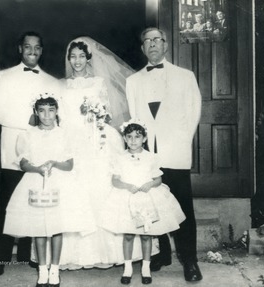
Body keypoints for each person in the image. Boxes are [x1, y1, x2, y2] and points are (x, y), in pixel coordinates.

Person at [50, 37, 159, 269]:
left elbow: (108, 113)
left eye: (81, 56)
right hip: (71, 141)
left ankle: (113, 252)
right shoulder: (61, 84)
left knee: (102, 187)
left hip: (95, 139)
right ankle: (72, 254)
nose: (77, 61)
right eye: (73, 56)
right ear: (68, 59)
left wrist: (97, 119)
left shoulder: (99, 82)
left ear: (89, 58)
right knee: (74, 192)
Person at [126, 27, 203, 282]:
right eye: (147, 41)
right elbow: (136, 119)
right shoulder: (133, 81)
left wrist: (180, 141)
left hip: (176, 152)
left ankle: (189, 260)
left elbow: (193, 112)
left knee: (182, 207)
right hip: (149, 156)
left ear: (165, 45)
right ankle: (163, 253)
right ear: (143, 48)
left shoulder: (185, 76)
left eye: (157, 40)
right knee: (154, 204)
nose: (152, 44)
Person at [0, 31, 59, 276]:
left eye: (37, 47)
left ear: (41, 50)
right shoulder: (4, 76)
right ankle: (0, 258)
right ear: (20, 49)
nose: (32, 51)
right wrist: (29, 121)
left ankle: (30, 255)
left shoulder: (52, 81)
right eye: (27, 47)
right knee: (7, 204)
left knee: (35, 203)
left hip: (41, 153)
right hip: (13, 151)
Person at [3, 95, 94, 287]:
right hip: (36, 182)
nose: (47, 115)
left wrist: (54, 163)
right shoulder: (28, 134)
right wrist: (38, 169)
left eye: (51, 110)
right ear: (36, 112)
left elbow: (69, 165)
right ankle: (42, 270)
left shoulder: (64, 134)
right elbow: (24, 163)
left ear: (57, 112)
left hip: (60, 183)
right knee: (39, 229)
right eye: (42, 110)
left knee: (57, 227)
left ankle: (55, 270)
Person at [100, 120, 185, 285]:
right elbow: (115, 180)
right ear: (124, 138)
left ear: (144, 138)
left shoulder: (151, 157)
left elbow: (158, 178)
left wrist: (150, 184)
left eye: (137, 137)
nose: (133, 140)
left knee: (147, 235)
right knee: (129, 234)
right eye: (129, 137)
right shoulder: (119, 157)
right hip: (127, 198)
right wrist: (126, 186)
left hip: (147, 198)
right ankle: (128, 268)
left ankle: (146, 268)